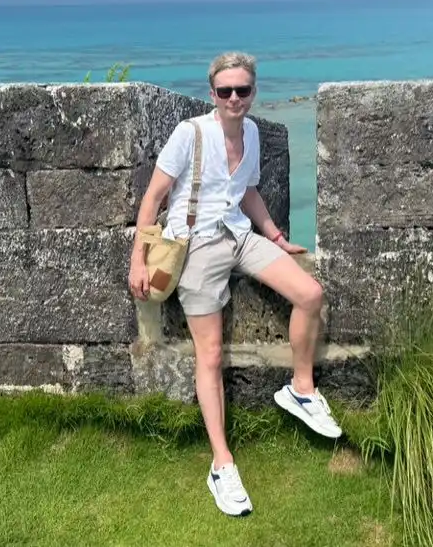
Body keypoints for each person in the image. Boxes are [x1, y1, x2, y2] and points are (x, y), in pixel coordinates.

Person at [128, 52, 343, 518]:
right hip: (198, 247)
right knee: (210, 354)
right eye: (225, 90)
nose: (233, 98)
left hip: (240, 236)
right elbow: (154, 197)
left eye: (242, 90)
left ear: (252, 92)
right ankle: (221, 463)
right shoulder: (190, 134)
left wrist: (277, 237)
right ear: (212, 94)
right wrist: (138, 260)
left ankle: (301, 389)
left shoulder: (250, 133)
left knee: (310, 294)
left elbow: (247, 192)